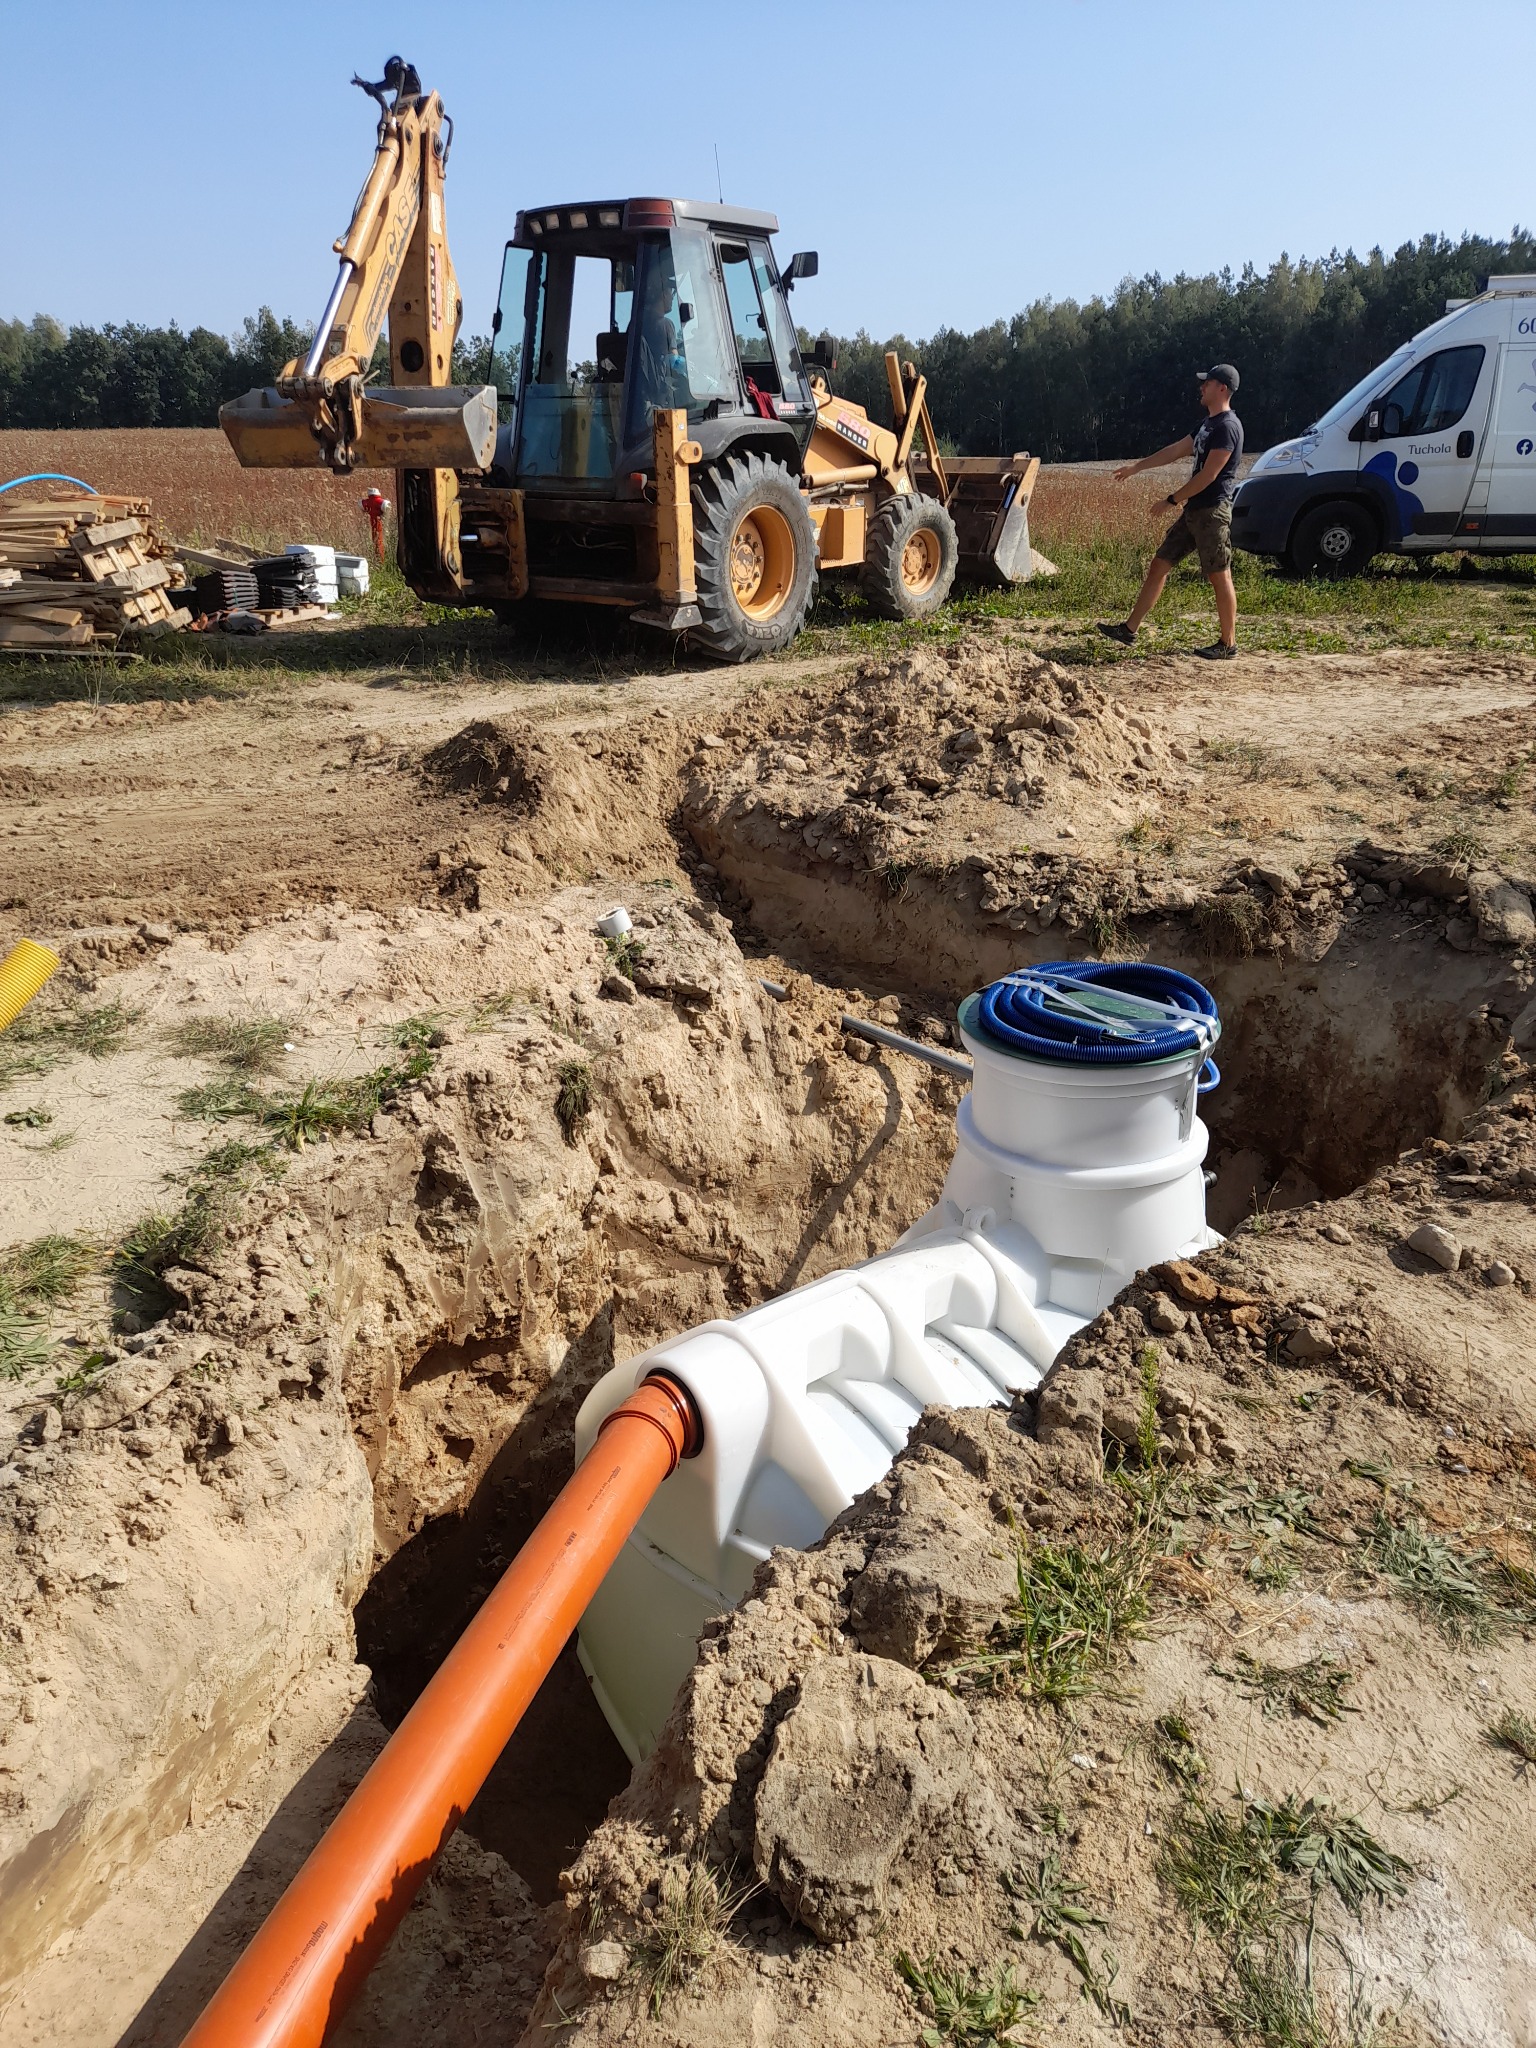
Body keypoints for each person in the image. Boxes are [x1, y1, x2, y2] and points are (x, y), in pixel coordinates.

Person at [1098, 364, 1244, 659]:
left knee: (1219, 575)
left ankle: (1228, 644)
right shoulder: (1207, 425)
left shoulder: (1228, 427)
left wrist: (1172, 500)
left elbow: (1209, 475)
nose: (1201, 387)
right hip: (1194, 510)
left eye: (1207, 383)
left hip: (1212, 511)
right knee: (1159, 564)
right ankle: (1129, 630)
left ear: (1222, 389)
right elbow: (1175, 450)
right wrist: (1137, 467)